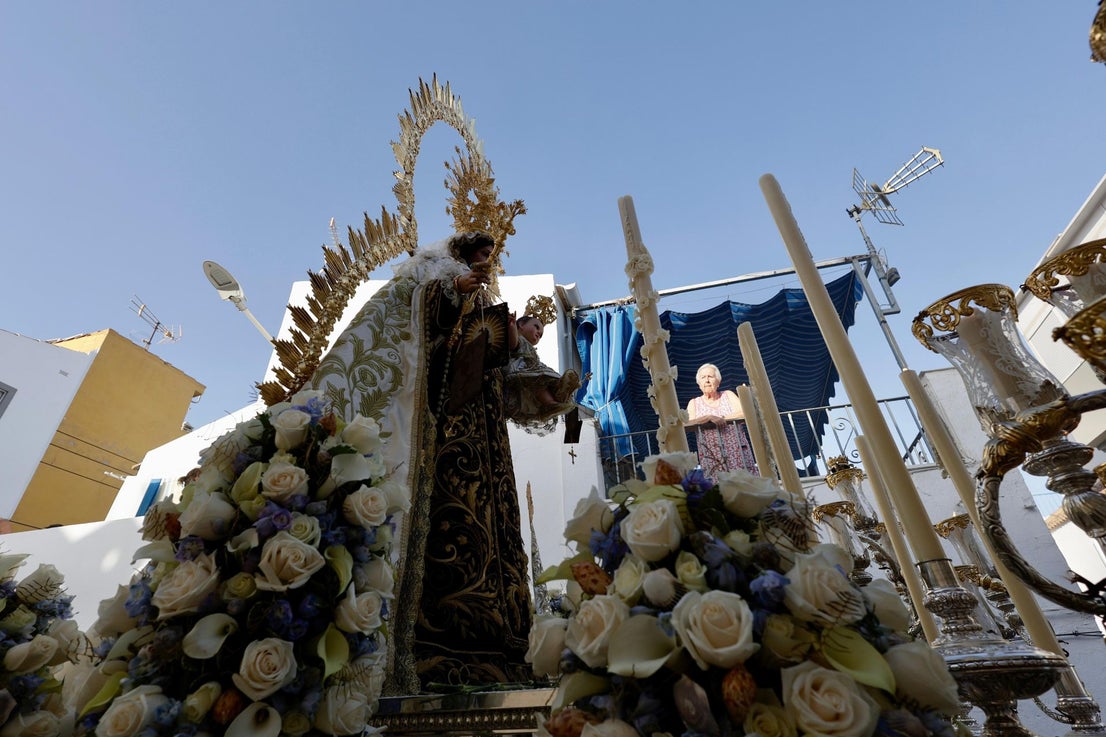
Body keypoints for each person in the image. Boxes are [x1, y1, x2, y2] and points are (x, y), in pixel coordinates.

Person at [310, 231, 533, 693]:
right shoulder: (438, 274)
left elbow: (500, 361)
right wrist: (452, 294)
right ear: (461, 249)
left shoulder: (487, 293)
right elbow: (415, 315)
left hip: (484, 426)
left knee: (488, 525)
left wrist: (511, 345)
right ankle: (432, 645)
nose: (488, 261)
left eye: (491, 255)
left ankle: (501, 645)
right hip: (441, 423)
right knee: (445, 517)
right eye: (482, 252)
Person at [685, 363, 758, 479]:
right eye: (703, 377)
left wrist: (722, 419)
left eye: (710, 376)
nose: (707, 380)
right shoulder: (694, 403)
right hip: (711, 456)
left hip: (737, 453)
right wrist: (708, 418)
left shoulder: (728, 395)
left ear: (718, 382)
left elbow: (744, 413)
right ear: (699, 384)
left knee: (745, 488)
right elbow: (687, 423)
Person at [504, 313, 579, 426]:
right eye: (536, 327)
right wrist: (511, 326)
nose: (539, 333)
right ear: (521, 325)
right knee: (539, 381)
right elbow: (513, 344)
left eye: (541, 334)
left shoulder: (530, 349)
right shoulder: (519, 339)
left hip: (531, 372)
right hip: (520, 371)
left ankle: (559, 393)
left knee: (545, 381)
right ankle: (551, 403)